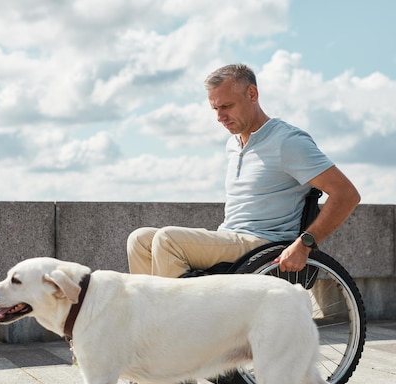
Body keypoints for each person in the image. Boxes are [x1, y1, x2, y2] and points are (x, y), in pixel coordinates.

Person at [127, 63, 360, 277]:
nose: (220, 117)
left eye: (226, 106)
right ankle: (152, 316)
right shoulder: (233, 143)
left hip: (262, 243)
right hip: (229, 236)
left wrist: (304, 243)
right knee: (139, 240)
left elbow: (346, 194)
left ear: (252, 94)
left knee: (168, 240)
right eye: (215, 109)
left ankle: (178, 318)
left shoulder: (287, 141)